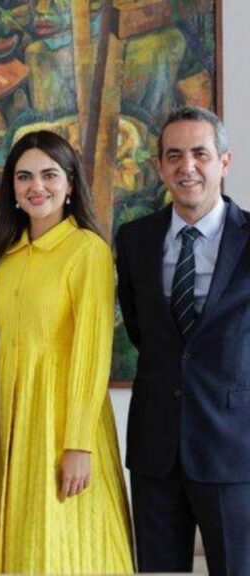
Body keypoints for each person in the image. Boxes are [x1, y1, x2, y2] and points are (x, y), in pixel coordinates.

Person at [0, 130, 134, 573]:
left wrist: (78, 444)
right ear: (12, 188)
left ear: (69, 184)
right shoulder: (4, 255)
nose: (36, 186)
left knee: (59, 547)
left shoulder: (87, 250)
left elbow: (92, 353)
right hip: (7, 420)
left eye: (49, 175)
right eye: (24, 176)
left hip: (60, 423)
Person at [116, 106, 250, 575]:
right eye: (174, 155)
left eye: (200, 153)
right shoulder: (134, 240)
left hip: (233, 448)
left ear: (224, 162)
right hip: (156, 449)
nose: (186, 166)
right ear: (159, 167)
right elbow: (143, 330)